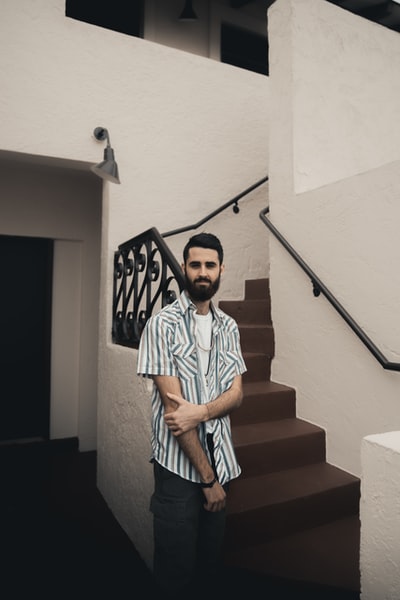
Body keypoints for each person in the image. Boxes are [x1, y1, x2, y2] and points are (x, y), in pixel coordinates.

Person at [137, 232, 246, 596]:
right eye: (195, 264)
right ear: (183, 268)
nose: (203, 272)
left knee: (209, 565)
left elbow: (237, 395)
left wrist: (201, 411)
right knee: (176, 572)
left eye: (210, 265)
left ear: (221, 270)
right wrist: (206, 480)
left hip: (222, 460)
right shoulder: (161, 325)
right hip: (179, 469)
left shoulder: (229, 326)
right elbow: (174, 413)